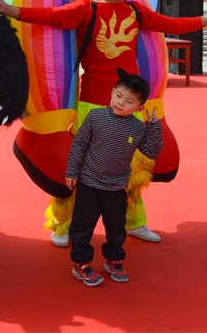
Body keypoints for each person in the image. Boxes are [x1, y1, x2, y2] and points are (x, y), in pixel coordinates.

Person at [0, 0, 207, 245]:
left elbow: (174, 25)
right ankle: (63, 224)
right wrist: (11, 10)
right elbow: (50, 17)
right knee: (80, 166)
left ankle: (133, 221)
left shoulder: (136, 11)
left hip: (132, 105)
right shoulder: (85, 9)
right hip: (93, 101)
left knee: (130, 167)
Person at [65, 69, 162, 287]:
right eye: (118, 95)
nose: (120, 102)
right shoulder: (95, 117)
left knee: (117, 228)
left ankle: (114, 259)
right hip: (88, 183)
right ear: (112, 92)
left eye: (129, 101)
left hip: (117, 187)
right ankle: (81, 263)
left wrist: (154, 127)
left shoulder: (138, 127)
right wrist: (72, 172)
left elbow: (151, 151)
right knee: (82, 226)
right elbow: (79, 145)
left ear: (139, 108)